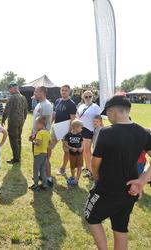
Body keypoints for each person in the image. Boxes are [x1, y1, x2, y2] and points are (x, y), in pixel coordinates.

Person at [84, 95, 151, 250]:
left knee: (91, 217)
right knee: (120, 228)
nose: (107, 117)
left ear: (113, 111)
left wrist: (96, 177)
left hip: (107, 190)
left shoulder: (107, 132)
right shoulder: (142, 132)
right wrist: (142, 180)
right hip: (129, 192)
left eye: (107, 114)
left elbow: (95, 162)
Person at [50, 85, 77, 176]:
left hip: (66, 131)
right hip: (56, 128)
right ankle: (45, 165)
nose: (64, 92)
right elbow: (54, 114)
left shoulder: (72, 104)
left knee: (66, 151)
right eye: (62, 90)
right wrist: (49, 124)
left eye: (66, 90)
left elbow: (72, 119)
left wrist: (69, 133)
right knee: (48, 146)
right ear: (60, 91)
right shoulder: (58, 101)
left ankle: (63, 168)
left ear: (69, 92)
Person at [31, 86, 54, 186]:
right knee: (38, 157)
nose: (34, 93)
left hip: (42, 136)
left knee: (45, 158)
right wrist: (33, 133)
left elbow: (44, 121)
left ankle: (48, 179)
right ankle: (41, 175)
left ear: (42, 92)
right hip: (37, 134)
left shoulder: (47, 105)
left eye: (36, 91)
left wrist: (37, 134)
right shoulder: (40, 104)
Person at [77, 91, 102, 178]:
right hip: (81, 130)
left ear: (92, 97)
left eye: (90, 96)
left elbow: (100, 118)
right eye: (86, 97)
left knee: (87, 151)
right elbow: (78, 117)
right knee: (84, 150)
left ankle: (91, 170)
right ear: (83, 98)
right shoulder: (81, 106)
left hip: (89, 130)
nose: (88, 98)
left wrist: (100, 129)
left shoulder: (96, 107)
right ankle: (87, 166)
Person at [1, 82, 28, 164]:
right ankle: (18, 157)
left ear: (15, 88)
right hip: (21, 121)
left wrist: (3, 120)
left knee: (13, 139)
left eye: (10, 88)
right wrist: (23, 119)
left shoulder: (12, 98)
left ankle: (16, 158)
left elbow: (7, 109)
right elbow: (26, 110)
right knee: (18, 139)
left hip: (13, 122)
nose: (9, 90)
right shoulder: (23, 97)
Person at [29, 117, 50, 191]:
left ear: (41, 124)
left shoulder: (40, 133)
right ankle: (45, 184)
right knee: (42, 170)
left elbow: (39, 143)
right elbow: (49, 143)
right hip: (45, 153)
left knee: (36, 170)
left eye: (37, 123)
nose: (36, 125)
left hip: (38, 154)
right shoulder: (47, 132)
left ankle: (35, 184)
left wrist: (33, 141)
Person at [64, 119, 84, 186]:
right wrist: (71, 148)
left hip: (80, 154)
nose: (81, 129)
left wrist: (81, 147)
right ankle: (73, 176)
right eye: (81, 127)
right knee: (72, 167)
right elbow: (65, 143)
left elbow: (82, 142)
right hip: (72, 154)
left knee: (79, 166)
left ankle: (76, 180)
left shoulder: (80, 135)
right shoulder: (68, 135)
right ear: (75, 127)